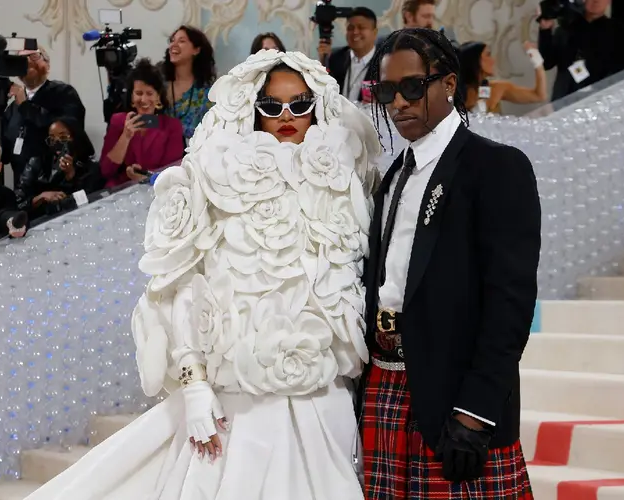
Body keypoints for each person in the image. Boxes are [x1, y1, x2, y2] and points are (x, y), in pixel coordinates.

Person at [22, 49, 382, 500]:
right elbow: (181, 283)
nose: (286, 116)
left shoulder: (345, 180)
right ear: (252, 108)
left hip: (323, 396)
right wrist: (193, 386)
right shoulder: (214, 176)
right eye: (271, 106)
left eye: (300, 104)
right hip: (240, 399)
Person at [361, 28, 540, 499]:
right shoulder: (393, 174)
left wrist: (478, 411)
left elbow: (511, 303)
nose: (398, 101)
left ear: (447, 84)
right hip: (385, 378)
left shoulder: (496, 167)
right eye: (385, 91)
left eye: (412, 86)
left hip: (455, 392)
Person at [0, 47, 85, 188]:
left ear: (47, 64)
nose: (28, 61)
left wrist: (26, 106)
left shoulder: (64, 93)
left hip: (59, 185)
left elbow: (70, 134)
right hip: (23, 192)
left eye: (34, 56)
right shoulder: (13, 108)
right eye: (22, 59)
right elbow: (3, 153)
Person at [100, 59, 184, 188]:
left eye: (149, 93)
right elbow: (106, 171)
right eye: (138, 93)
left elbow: (173, 173)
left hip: (157, 189)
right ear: (132, 97)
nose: (143, 100)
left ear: (158, 97)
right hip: (122, 189)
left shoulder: (172, 126)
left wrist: (145, 176)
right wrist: (125, 136)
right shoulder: (118, 121)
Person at [538, 0, 624, 101]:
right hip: (563, 99)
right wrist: (545, 31)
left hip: (597, 99)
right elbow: (547, 63)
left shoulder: (618, 32)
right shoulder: (567, 28)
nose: (596, 1)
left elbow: (623, 70)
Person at [15, 116, 103, 220]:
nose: (57, 144)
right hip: (39, 222)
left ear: (75, 137)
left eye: (63, 138)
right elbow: (18, 202)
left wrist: (71, 177)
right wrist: (40, 198)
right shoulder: (36, 162)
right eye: (52, 139)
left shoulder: (90, 167)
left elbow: (90, 201)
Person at [162, 25, 217, 142]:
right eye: (172, 41)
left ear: (196, 50)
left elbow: (212, 134)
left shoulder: (208, 93)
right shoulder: (158, 85)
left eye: (181, 41)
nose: (173, 45)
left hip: (195, 155)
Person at [458, 41, 547, 114]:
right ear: (475, 61)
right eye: (488, 55)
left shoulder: (498, 88)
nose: (493, 60)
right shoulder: (456, 93)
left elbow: (539, 96)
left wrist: (537, 62)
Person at [320, 7, 380, 103]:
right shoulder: (335, 58)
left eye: (361, 27)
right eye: (350, 28)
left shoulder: (385, 63)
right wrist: (323, 62)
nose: (355, 32)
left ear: (374, 32)